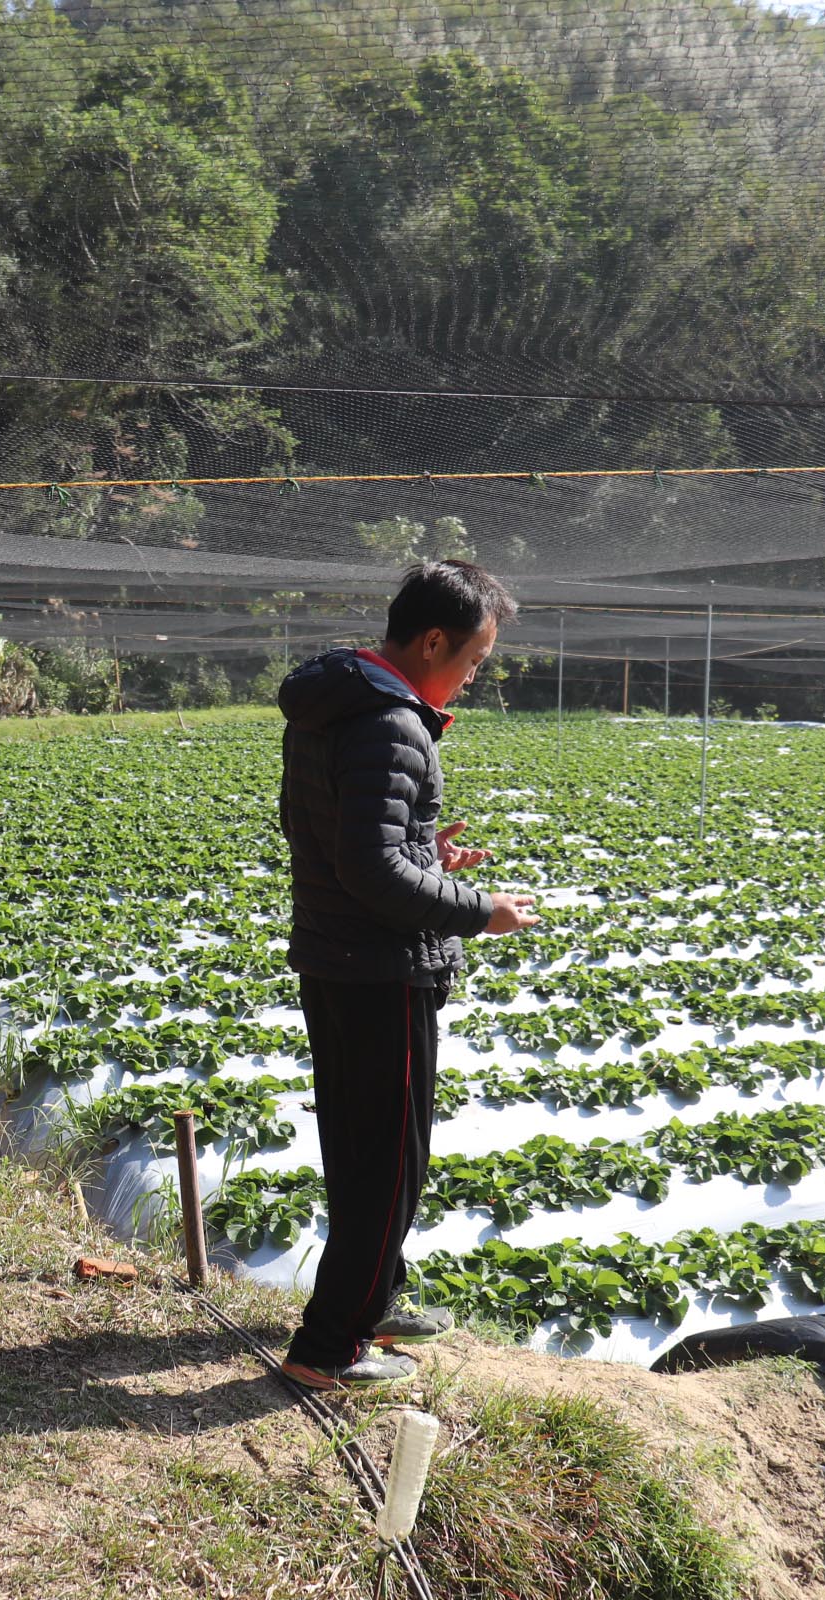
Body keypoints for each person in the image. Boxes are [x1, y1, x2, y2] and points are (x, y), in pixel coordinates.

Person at [276, 560, 539, 1388]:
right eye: (473, 660)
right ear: (432, 640)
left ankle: (374, 1299)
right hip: (379, 967)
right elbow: (372, 873)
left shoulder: (341, 700)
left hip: (339, 953)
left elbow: (337, 836)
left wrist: (429, 856)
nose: (473, 676)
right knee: (388, 1160)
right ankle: (328, 1348)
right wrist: (473, 905)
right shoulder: (390, 722)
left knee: (365, 1150)